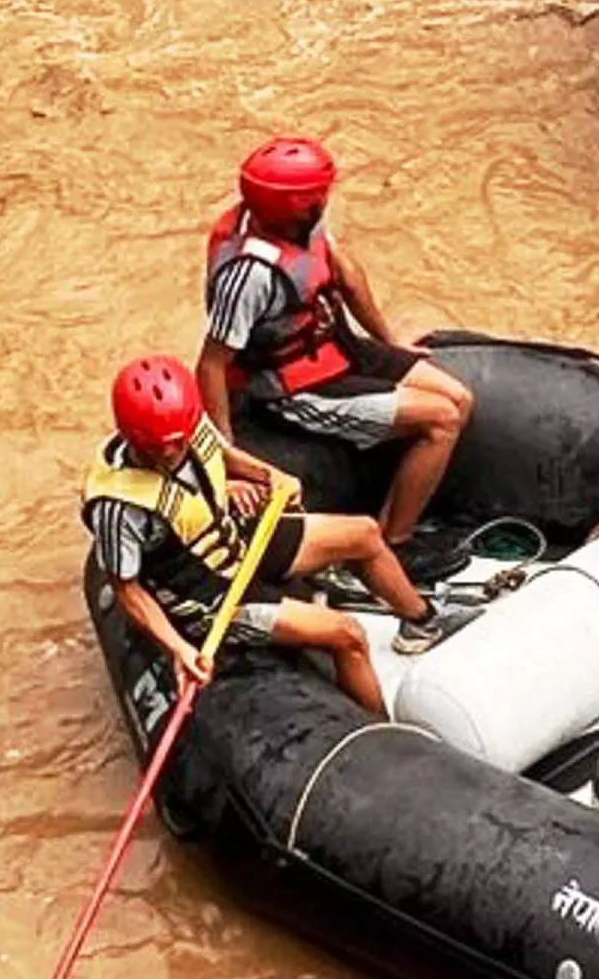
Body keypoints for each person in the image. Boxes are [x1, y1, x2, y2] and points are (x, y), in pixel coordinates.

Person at [87, 360, 417, 717]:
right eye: (158, 447)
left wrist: (271, 475)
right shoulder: (119, 508)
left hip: (235, 540)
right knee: (347, 635)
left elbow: (223, 455)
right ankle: (383, 729)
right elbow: (127, 589)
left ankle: (421, 621)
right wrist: (179, 649)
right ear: (135, 437)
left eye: (177, 442)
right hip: (209, 598)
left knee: (365, 535)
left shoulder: (186, 426)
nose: (170, 452)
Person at [194, 138, 473, 550]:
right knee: (442, 420)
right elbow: (211, 363)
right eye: (320, 193)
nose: (327, 199)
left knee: (459, 398)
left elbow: (346, 277)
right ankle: (397, 540)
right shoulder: (248, 274)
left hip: (337, 348)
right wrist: (227, 451)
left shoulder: (299, 223)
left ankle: (401, 500)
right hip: (295, 387)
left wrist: (390, 343)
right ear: (298, 205)